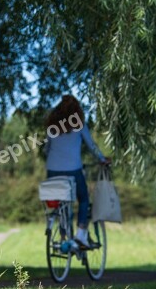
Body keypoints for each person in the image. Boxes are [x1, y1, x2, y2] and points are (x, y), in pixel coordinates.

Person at [45, 95, 110, 249]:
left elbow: (46, 149)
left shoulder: (52, 128)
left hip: (52, 171)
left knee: (61, 202)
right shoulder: (79, 125)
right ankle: (80, 235)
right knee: (84, 199)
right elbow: (91, 146)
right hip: (73, 171)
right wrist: (102, 159)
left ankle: (62, 234)